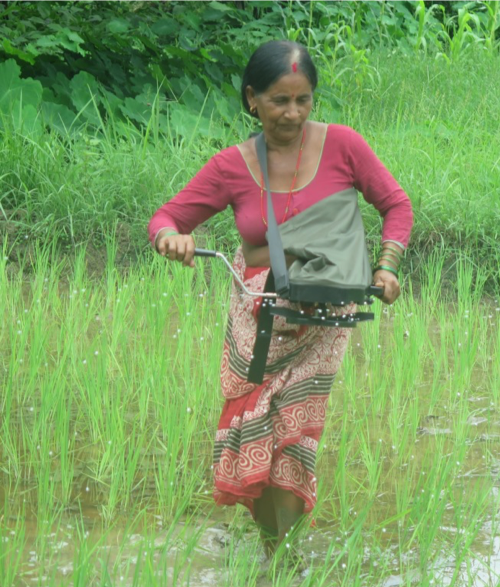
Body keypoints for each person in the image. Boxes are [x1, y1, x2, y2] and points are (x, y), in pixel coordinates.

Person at [148, 40, 413, 562]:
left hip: (323, 319)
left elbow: (395, 203)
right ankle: (276, 548)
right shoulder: (231, 165)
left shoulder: (344, 146)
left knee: (293, 432)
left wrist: (386, 267)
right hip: (258, 316)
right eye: (279, 100)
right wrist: (170, 239)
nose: (292, 113)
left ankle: (283, 559)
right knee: (250, 431)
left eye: (303, 100)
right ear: (252, 99)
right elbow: (167, 217)